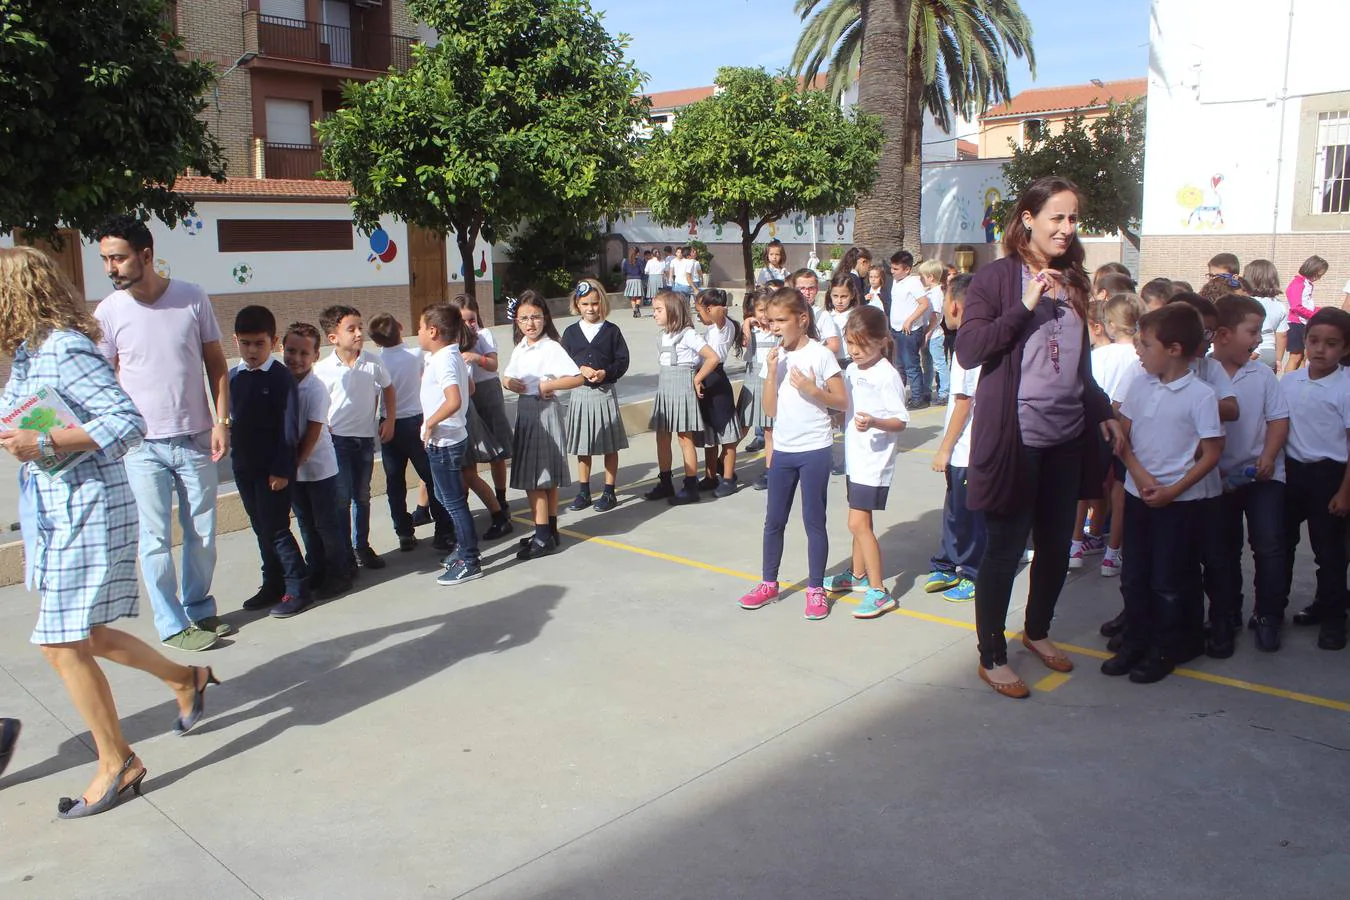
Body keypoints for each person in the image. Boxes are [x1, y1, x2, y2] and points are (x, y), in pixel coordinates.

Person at [0, 246, 220, 818]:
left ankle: (116, 761)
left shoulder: (67, 348)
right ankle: (186, 677)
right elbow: (28, 414)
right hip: (56, 508)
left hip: (89, 508)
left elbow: (127, 421)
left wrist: (43, 443)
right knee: (85, 637)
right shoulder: (27, 352)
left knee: (59, 643)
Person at [954, 175, 1122, 699]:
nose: (1067, 229)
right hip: (1015, 439)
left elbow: (1080, 366)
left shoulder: (1074, 282)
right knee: (1005, 551)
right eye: (1057, 217)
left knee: (1055, 546)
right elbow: (971, 349)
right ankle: (992, 655)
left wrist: (1101, 410)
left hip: (1067, 436)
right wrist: (1024, 303)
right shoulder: (996, 280)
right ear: (1028, 218)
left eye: (1074, 219)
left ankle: (1038, 630)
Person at [93, 215, 230, 652]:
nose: (110, 267)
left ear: (146, 255)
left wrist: (221, 421)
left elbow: (216, 364)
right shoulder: (109, 311)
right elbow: (98, 377)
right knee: (153, 539)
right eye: (105, 259)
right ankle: (172, 624)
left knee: (202, 535)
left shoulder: (191, 297)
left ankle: (199, 609)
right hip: (140, 446)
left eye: (117, 257)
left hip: (195, 438)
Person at [1104, 303, 1224, 683]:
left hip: (1179, 504)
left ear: (1174, 349)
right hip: (1140, 497)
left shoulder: (1201, 395)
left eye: (1146, 344)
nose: (1138, 351)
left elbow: (1212, 452)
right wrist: (1140, 478)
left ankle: (1164, 647)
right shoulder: (1140, 384)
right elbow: (1125, 439)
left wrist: (1173, 490)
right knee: (1134, 575)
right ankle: (1135, 641)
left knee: (1168, 581)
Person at [738, 287, 848, 620]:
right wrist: (772, 373)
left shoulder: (820, 354)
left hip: (814, 448)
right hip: (783, 451)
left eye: (780, 320)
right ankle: (768, 583)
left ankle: (816, 588)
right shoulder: (775, 357)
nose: (773, 327)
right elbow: (769, 409)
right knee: (774, 521)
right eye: (769, 321)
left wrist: (813, 390)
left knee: (814, 521)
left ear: (801, 320)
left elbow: (841, 402)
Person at [1208, 296, 1289, 655]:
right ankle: (1225, 615)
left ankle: (1269, 615)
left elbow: (1278, 419)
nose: (1259, 340)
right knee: (1221, 551)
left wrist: (1269, 456)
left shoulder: (1263, 374)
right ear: (1223, 334)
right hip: (1217, 480)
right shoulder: (1202, 372)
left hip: (1262, 476)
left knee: (1270, 545)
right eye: (1253, 331)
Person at [823, 306, 908, 618]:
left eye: (861, 344)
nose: (854, 350)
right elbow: (845, 405)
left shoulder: (886, 376)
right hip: (855, 458)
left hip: (874, 461)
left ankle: (878, 590)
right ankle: (857, 575)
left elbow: (901, 421)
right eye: (850, 343)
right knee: (861, 523)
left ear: (881, 340)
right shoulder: (853, 370)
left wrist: (874, 422)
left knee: (857, 523)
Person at [1280, 307, 1350, 651]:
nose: (1321, 349)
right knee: (1281, 545)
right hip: (1292, 473)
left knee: (1330, 552)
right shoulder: (1291, 380)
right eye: (1314, 341)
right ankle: (1273, 611)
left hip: (1330, 476)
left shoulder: (1346, 387)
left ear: (1345, 350)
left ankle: (1334, 615)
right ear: (1305, 341)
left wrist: (1344, 491)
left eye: (1332, 344)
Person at [231, 305, 307, 615]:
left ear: (273, 342)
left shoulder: (279, 379)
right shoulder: (234, 377)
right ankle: (271, 583)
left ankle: (297, 586)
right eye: (245, 343)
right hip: (244, 468)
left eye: (259, 344)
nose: (251, 351)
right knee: (260, 527)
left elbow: (288, 430)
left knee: (276, 528)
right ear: (236, 340)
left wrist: (281, 469)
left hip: (273, 471)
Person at [502, 292, 585, 558]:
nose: (530, 323)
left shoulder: (550, 347)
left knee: (536, 479)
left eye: (535, 317)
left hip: (543, 410)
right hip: (527, 411)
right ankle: (548, 530)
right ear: (517, 321)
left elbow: (576, 378)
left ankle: (542, 537)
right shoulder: (522, 346)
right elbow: (509, 375)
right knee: (542, 478)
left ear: (545, 318)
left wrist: (549, 385)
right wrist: (508, 382)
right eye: (524, 318)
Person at [315, 305, 395, 570]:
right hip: (337, 442)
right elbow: (316, 404)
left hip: (364, 441)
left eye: (360, 327)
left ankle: (362, 546)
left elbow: (388, 387)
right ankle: (344, 552)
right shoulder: (323, 369)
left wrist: (389, 418)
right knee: (341, 498)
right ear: (333, 338)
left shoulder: (373, 361)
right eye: (352, 329)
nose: (359, 333)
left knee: (362, 495)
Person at [367, 314, 453, 553]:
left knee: (395, 481)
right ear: (401, 328)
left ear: (375, 341)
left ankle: (404, 532)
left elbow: (376, 394)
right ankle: (443, 529)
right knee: (431, 477)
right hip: (416, 422)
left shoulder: (378, 361)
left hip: (389, 424)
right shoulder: (418, 355)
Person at [924, 274, 985, 603]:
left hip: (968, 449)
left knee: (971, 513)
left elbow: (965, 402)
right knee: (954, 509)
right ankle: (947, 562)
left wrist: (944, 448)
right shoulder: (975, 339)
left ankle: (974, 571)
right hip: (964, 450)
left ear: (955, 305)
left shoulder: (969, 346)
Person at [283, 323, 352, 607]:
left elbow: (312, 433)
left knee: (326, 525)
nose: (296, 358)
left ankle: (339, 574)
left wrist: (292, 465)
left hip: (318, 469)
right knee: (307, 524)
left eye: (303, 353)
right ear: (281, 349)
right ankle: (317, 569)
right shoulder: (283, 382)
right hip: (296, 472)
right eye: (291, 351)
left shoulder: (315, 389)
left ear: (314, 355)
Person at [414, 302, 482, 584]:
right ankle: (462, 549)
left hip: (444, 440)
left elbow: (454, 400)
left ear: (432, 331)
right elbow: (470, 388)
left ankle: (469, 559)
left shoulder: (443, 359)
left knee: (452, 502)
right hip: (448, 437)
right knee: (443, 497)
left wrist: (430, 422)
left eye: (419, 327)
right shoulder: (450, 355)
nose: (417, 332)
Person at [1087, 293, 1147, 579]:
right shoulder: (1139, 356)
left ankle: (1081, 541)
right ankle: (1113, 552)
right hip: (1129, 431)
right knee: (1119, 487)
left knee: (1093, 485)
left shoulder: (1100, 355)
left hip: (1101, 428)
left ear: (1109, 324)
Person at [445, 296, 513, 540]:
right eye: (464, 320)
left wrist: (476, 358)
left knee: (497, 450)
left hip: (487, 391)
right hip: (467, 398)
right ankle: (450, 508)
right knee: (470, 452)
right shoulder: (454, 341)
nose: (469, 324)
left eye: (472, 319)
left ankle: (501, 498)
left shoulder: (483, 335)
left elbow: (493, 364)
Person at [561, 279, 631, 512]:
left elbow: (622, 361)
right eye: (585, 304)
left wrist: (605, 373)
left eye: (594, 303)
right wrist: (579, 369)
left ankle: (609, 492)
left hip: (604, 393)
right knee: (583, 446)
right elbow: (562, 361)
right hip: (580, 394)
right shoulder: (571, 333)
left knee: (609, 445)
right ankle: (584, 491)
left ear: (602, 303)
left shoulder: (612, 331)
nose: (590, 308)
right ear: (577, 305)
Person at [645, 289, 719, 505]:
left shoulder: (688, 334)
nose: (655, 314)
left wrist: (697, 379)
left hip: (682, 385)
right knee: (662, 435)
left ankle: (690, 484)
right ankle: (665, 480)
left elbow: (712, 358)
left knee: (684, 437)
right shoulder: (662, 336)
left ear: (673, 311)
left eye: (659, 310)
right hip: (665, 387)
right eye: (654, 310)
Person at [738, 287, 778, 474]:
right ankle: (725, 461)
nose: (764, 315)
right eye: (761, 310)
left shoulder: (777, 332)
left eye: (768, 310)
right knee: (742, 425)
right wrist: (747, 322)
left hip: (771, 383)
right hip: (752, 382)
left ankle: (770, 469)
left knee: (770, 430)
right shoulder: (751, 331)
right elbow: (743, 342)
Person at [888, 252, 929, 408]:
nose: (892, 271)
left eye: (896, 268)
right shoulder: (896, 282)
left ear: (907, 269)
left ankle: (918, 397)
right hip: (896, 330)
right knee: (899, 365)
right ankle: (899, 395)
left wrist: (910, 320)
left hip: (909, 332)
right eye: (892, 268)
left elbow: (924, 304)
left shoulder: (913, 283)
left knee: (911, 365)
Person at [1240, 260, 1289, 371]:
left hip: (1248, 349)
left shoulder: (1245, 303)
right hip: (1269, 351)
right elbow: (1282, 335)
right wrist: (1278, 359)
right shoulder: (1280, 306)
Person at [1284, 255, 1328, 373]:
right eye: (1319, 274)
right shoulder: (1298, 283)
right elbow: (1296, 306)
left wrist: (1321, 310)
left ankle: (1301, 382)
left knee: (1303, 356)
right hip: (1296, 323)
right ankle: (1285, 385)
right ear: (1312, 270)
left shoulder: (1306, 284)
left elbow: (1307, 305)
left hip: (1304, 323)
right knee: (1295, 356)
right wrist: (1315, 315)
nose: (1319, 278)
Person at [917, 258, 949, 405]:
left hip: (934, 335)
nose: (920, 279)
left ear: (930, 277)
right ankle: (926, 391)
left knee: (939, 364)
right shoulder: (929, 292)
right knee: (927, 364)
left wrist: (928, 333)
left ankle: (944, 393)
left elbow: (935, 316)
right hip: (928, 333)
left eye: (922, 276)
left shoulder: (936, 293)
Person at [790, 268, 843, 358]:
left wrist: (810, 353)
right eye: (802, 288)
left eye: (811, 288)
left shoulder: (823, 315)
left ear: (817, 288)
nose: (807, 293)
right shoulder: (787, 312)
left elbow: (834, 346)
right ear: (794, 289)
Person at [622, 247, 645, 317]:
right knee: (639, 295)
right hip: (637, 279)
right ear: (637, 253)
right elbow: (642, 271)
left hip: (629, 279)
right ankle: (637, 307)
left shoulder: (625, 261)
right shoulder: (639, 261)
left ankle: (635, 311)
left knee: (632, 296)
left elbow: (624, 271)